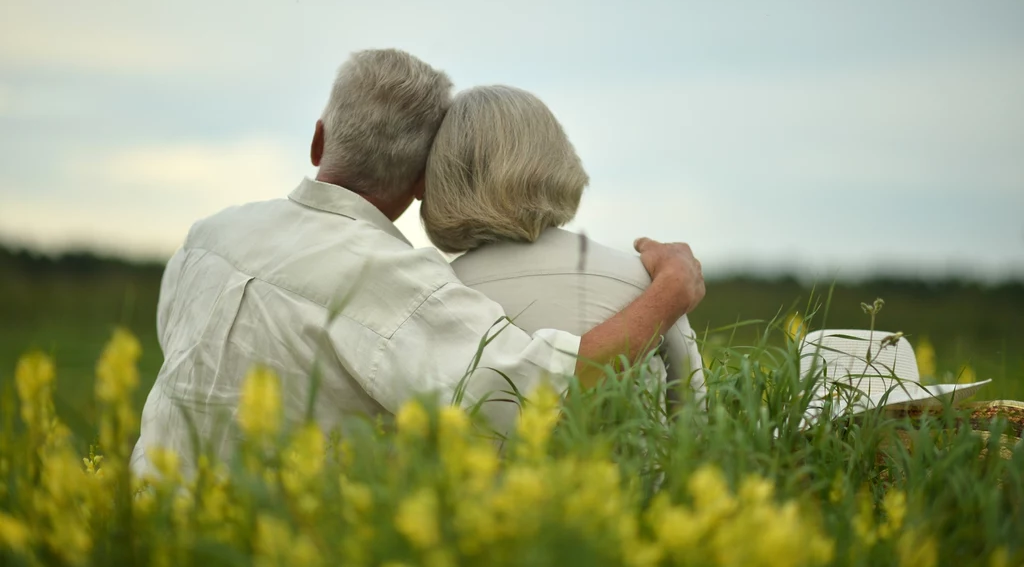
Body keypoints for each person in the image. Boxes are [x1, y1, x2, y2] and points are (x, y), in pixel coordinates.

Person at [132, 49, 705, 478]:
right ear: (422, 182)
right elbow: (534, 394)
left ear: (317, 140)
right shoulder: (389, 280)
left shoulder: (206, 238)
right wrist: (670, 290)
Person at [420, 85, 706, 413]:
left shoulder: (433, 293)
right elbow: (694, 418)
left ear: (443, 180)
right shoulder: (655, 284)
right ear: (558, 161)